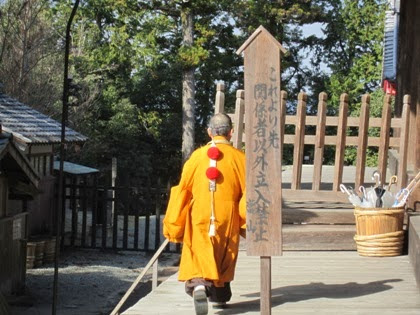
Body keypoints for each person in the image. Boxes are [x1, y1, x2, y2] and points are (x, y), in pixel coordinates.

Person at [163, 113, 246, 315]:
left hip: (199, 213)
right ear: (231, 133)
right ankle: (219, 297)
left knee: (199, 252)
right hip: (227, 214)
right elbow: (248, 194)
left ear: (209, 132)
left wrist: (175, 223)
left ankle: (199, 285)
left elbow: (183, 190)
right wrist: (245, 223)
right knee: (224, 254)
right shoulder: (240, 158)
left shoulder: (197, 157)